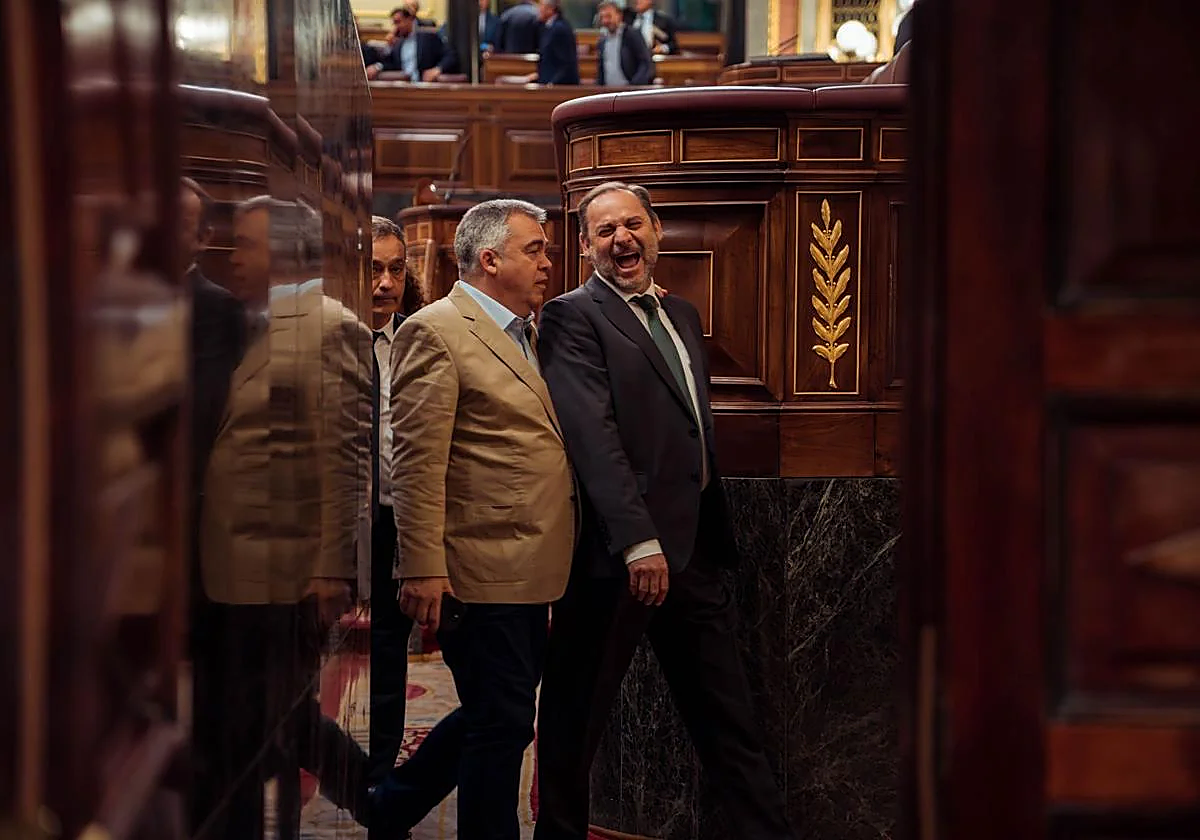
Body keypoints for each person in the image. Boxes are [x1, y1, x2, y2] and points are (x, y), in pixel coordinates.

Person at [533, 182, 795, 840]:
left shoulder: (679, 315)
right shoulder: (572, 317)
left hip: (694, 553)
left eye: (632, 225)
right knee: (574, 725)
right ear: (587, 246)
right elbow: (595, 440)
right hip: (619, 562)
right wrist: (638, 542)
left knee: (730, 720)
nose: (621, 239)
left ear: (656, 230)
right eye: (604, 231)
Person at [373, 199, 575, 840]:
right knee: (503, 721)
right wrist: (421, 567)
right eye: (534, 250)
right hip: (481, 566)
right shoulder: (436, 330)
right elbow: (416, 462)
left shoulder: (530, 328)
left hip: (530, 564)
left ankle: (389, 807)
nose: (547, 262)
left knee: (499, 714)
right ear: (490, 259)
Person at [365, 216, 427, 790]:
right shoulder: (324, 333)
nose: (384, 282)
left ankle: (381, 777)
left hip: (396, 517)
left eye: (395, 268)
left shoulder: (417, 336)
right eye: (373, 268)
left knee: (389, 646)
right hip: (333, 523)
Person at [366, 5, 458, 81]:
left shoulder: (427, 38)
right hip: (403, 88)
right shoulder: (398, 45)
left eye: (398, 22)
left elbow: (450, 55)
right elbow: (390, 63)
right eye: (394, 23)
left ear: (409, 20)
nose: (396, 27)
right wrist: (377, 67)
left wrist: (437, 69)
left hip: (425, 86)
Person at [595, 0, 654, 86]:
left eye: (608, 17)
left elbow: (645, 64)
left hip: (629, 91)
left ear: (619, 15)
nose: (605, 21)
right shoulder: (602, 40)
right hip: (608, 92)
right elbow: (601, 70)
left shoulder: (632, 35)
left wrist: (634, 85)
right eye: (602, 17)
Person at [533, 0, 580, 85]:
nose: (538, 10)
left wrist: (552, 83)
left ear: (550, 9)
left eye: (541, 6)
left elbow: (566, 62)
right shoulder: (549, 27)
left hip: (560, 88)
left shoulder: (559, 29)